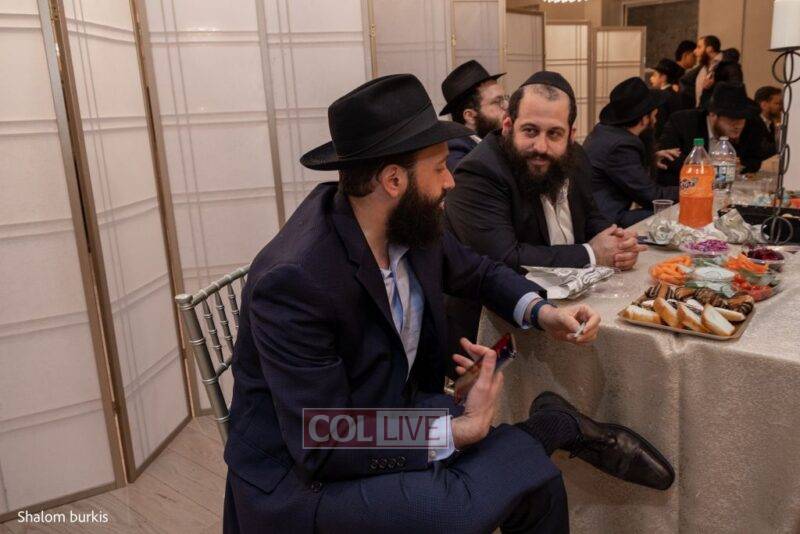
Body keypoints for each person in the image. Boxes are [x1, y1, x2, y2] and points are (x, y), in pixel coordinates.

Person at [222, 73, 674, 534]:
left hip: (390, 415)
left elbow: (480, 272)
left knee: (538, 480)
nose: (451, 181)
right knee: (453, 510)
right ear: (394, 180)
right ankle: (550, 428)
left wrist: (544, 313)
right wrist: (456, 430)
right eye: (439, 167)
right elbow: (323, 436)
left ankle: (550, 429)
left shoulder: (406, 223)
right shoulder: (295, 279)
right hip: (305, 476)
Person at [444, 71, 647, 347]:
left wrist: (618, 245)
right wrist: (592, 253)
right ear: (508, 125)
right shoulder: (479, 172)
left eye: (554, 133)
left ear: (571, 135)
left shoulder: (575, 156)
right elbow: (504, 258)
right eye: (530, 130)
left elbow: (591, 216)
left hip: (576, 302)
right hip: (498, 327)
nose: (541, 146)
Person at [584, 77, 679, 227]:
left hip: (597, 212)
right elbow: (653, 197)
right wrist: (692, 189)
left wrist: (650, 159)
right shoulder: (622, 146)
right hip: (606, 220)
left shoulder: (605, 131)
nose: (656, 120)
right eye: (654, 115)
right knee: (673, 213)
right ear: (644, 119)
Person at [658, 82, 771, 186]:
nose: (737, 126)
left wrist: (739, 164)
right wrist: (708, 166)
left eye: (741, 120)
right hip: (688, 188)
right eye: (731, 120)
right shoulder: (683, 122)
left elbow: (755, 160)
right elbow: (669, 157)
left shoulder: (750, 126)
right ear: (713, 115)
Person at [439, 60, 507, 172]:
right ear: (470, 116)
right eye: (497, 102)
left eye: (505, 99)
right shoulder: (456, 152)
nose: (506, 106)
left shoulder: (493, 139)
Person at [679, 35, 721, 108]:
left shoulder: (724, 65)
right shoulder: (703, 67)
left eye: (699, 47)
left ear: (709, 49)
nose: (694, 51)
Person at [650, 58, 686, 139]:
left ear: (663, 77)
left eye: (654, 75)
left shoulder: (661, 97)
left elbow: (660, 124)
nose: (651, 78)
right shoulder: (674, 93)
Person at [754, 85, 782, 154]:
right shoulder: (753, 124)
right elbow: (764, 150)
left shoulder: (770, 124)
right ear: (764, 105)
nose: (782, 107)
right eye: (778, 103)